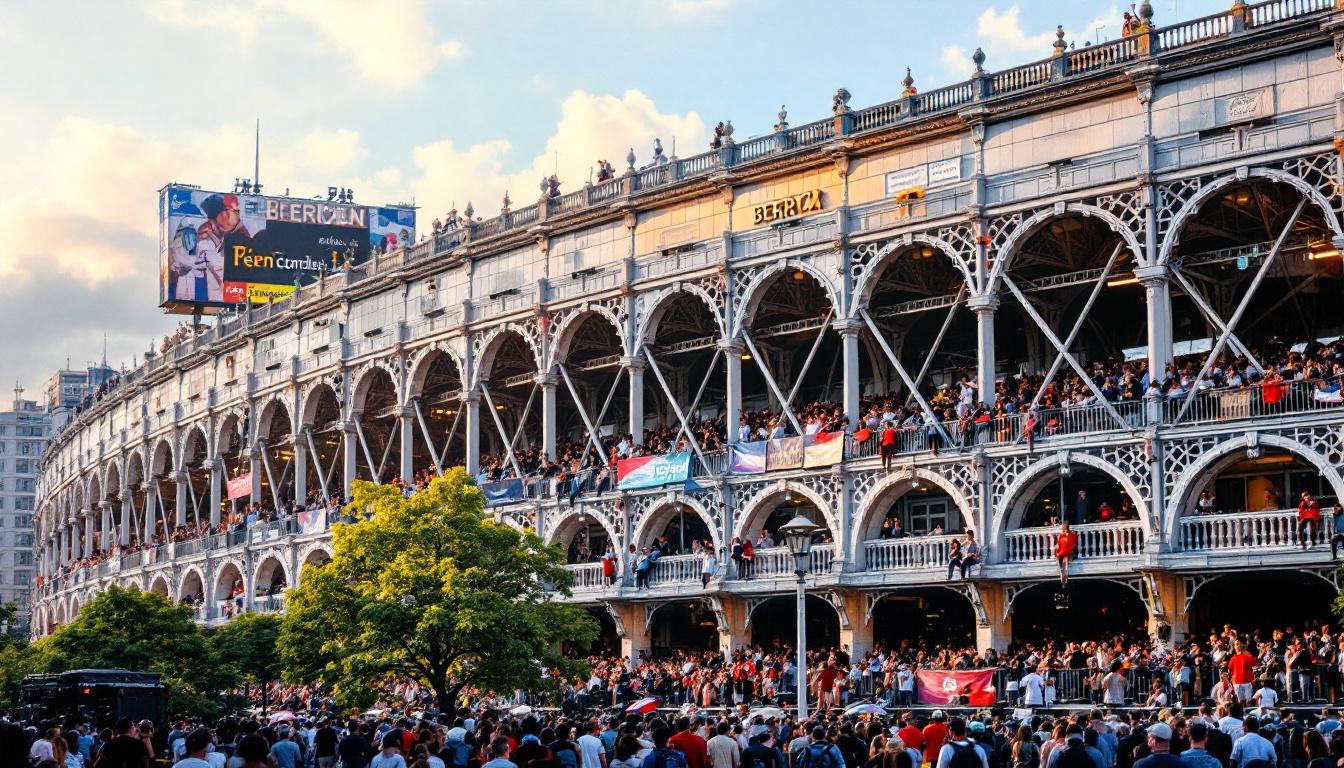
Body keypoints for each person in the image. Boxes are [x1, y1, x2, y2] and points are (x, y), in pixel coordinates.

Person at [1056, 521, 1078, 586]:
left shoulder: (1062, 535)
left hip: (1065, 553)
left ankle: (1063, 575)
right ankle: (1064, 577)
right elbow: (1075, 544)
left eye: (1062, 527)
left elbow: (1059, 546)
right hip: (1068, 552)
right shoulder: (1071, 534)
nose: (1062, 528)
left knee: (1062, 559)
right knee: (1064, 559)